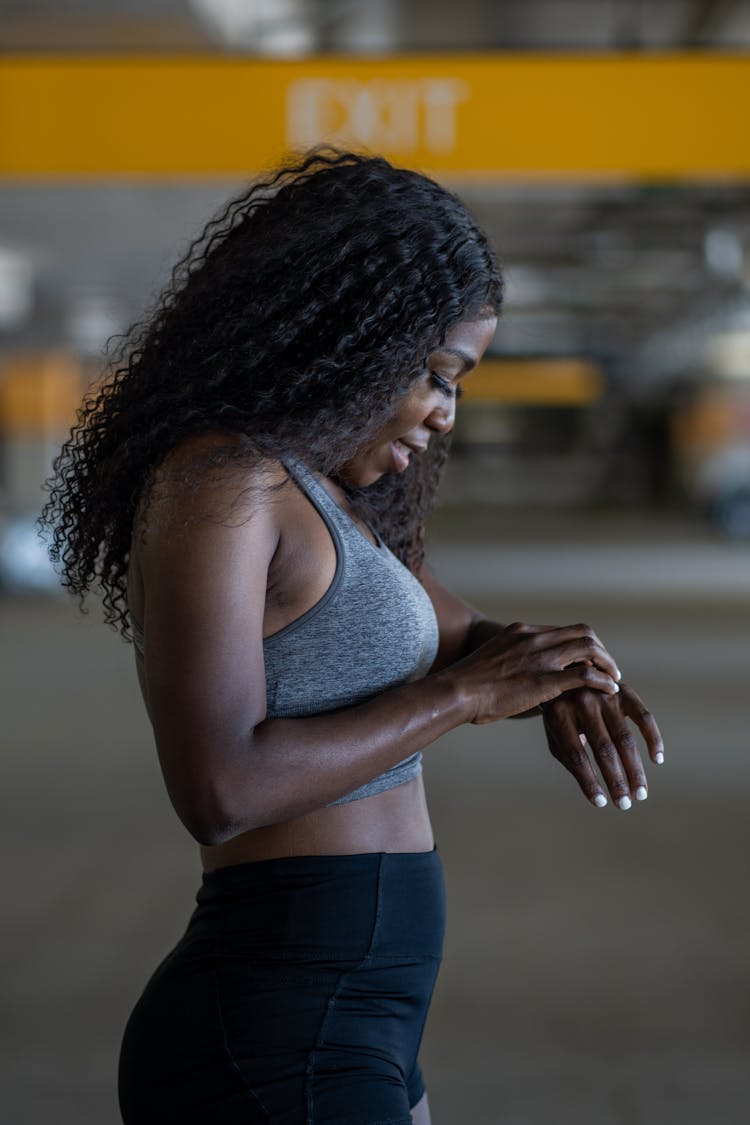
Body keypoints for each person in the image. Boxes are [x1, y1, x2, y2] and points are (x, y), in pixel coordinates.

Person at [42, 149, 663, 1125]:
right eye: (436, 373)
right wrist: (465, 698)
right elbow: (219, 789)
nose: (444, 411)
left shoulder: (331, 499)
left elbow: (469, 641)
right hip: (273, 1023)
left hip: (361, 1019)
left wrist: (558, 670)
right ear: (351, 335)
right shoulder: (220, 483)